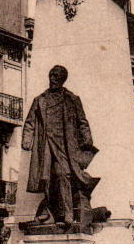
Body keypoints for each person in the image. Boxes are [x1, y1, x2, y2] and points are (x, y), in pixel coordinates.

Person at [21, 65, 99, 227]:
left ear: (63, 79)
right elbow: (30, 122)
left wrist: (87, 139)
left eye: (56, 76)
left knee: (63, 174)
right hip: (46, 145)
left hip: (65, 145)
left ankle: (67, 214)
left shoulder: (72, 99)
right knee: (47, 179)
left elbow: (82, 121)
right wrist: (27, 140)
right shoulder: (40, 99)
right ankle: (50, 213)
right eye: (51, 75)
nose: (53, 78)